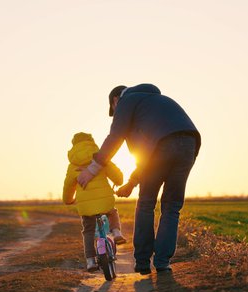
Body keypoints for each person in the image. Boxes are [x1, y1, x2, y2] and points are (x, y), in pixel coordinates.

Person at [77, 84, 201, 274]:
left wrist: (92, 170)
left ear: (116, 100)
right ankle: (162, 263)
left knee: (146, 204)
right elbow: (145, 156)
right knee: (172, 206)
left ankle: (143, 262)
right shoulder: (156, 102)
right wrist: (132, 183)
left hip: (162, 147)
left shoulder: (126, 101)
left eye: (114, 108)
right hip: (189, 144)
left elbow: (115, 137)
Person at [63, 132, 127, 272]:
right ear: (91, 142)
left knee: (88, 231)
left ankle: (90, 261)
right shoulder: (100, 158)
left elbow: (68, 186)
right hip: (105, 200)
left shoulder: (72, 165)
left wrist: (68, 200)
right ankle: (116, 233)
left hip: (86, 206)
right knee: (112, 212)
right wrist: (118, 181)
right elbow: (118, 177)